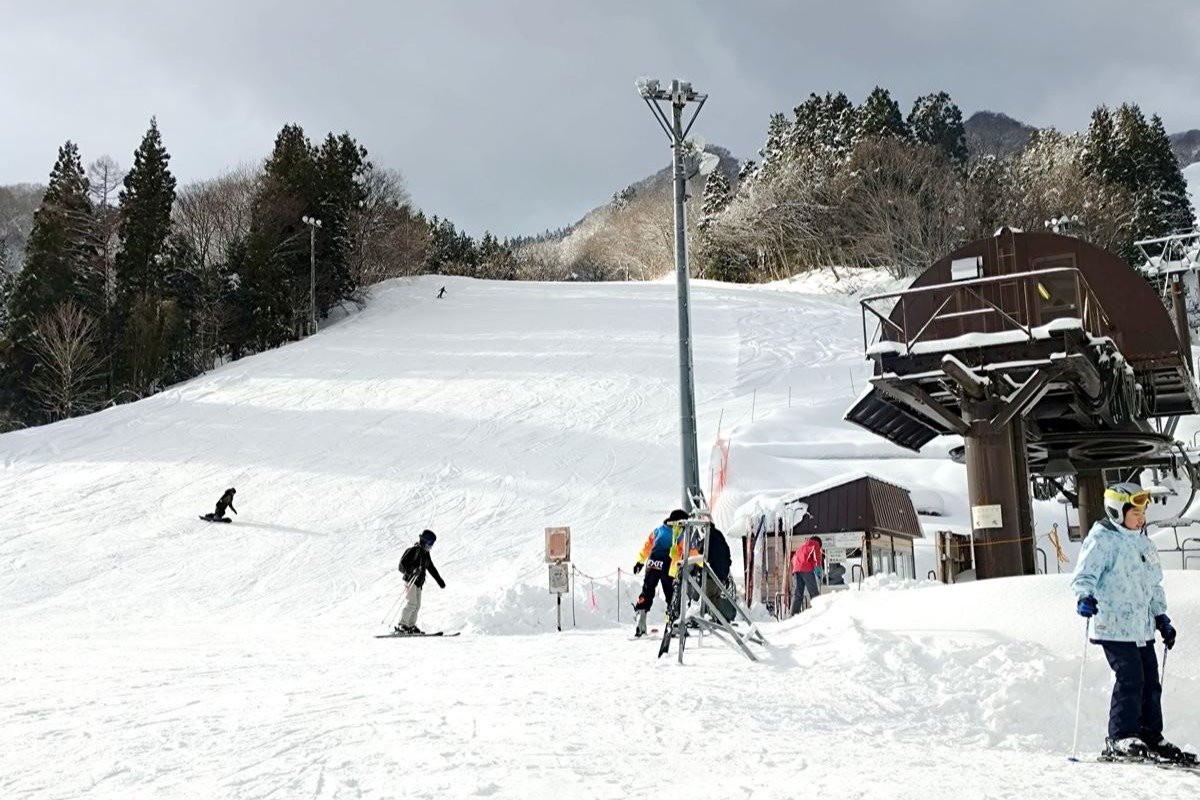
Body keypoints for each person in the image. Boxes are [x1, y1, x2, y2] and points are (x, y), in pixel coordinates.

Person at [1071, 482, 1192, 764]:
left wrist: (1162, 617)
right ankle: (1121, 736)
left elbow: (1154, 585)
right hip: (1113, 626)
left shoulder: (1144, 543)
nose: (1142, 517)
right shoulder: (1101, 540)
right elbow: (1084, 575)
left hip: (1141, 628)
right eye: (1135, 512)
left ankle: (1151, 735)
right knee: (1131, 678)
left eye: (1143, 512)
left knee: (1151, 681)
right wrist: (1083, 597)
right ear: (1116, 511)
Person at [632, 509, 689, 637]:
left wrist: (640, 562)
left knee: (647, 590)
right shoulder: (681, 533)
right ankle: (672, 624)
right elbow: (686, 551)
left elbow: (647, 546)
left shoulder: (658, 530)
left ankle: (640, 621)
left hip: (652, 561)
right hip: (668, 564)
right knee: (671, 595)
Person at [395, 530, 446, 635]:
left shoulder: (426, 554)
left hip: (418, 583)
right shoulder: (414, 550)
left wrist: (439, 580)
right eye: (430, 542)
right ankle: (402, 624)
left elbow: (431, 568)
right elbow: (402, 564)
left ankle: (410, 626)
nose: (431, 545)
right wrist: (413, 570)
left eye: (432, 543)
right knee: (411, 603)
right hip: (410, 581)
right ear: (424, 540)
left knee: (417, 605)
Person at [790, 535, 823, 616]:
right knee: (814, 592)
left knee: (798, 593)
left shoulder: (802, 547)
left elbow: (793, 559)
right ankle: (818, 613)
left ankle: (793, 614)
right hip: (806, 569)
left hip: (797, 569)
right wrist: (817, 569)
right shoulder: (815, 543)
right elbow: (816, 557)